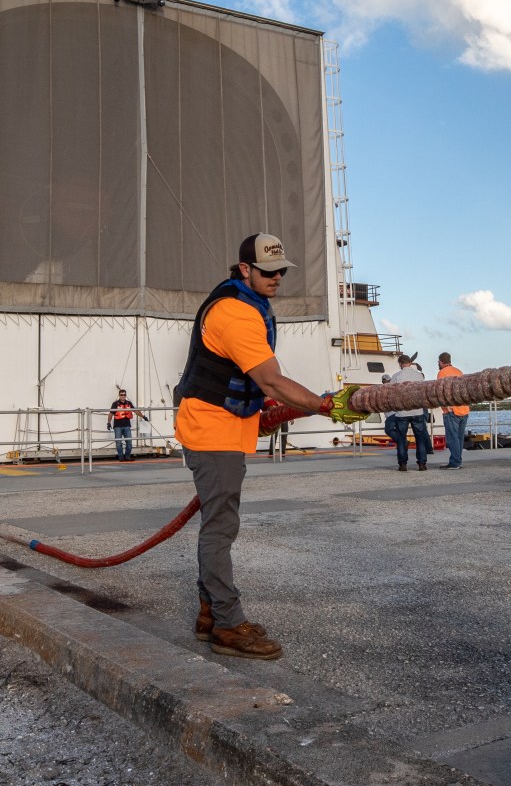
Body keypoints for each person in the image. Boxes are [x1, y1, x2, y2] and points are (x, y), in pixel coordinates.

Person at [174, 232, 344, 660]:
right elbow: (270, 379)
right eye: (267, 271)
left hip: (222, 427)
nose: (277, 277)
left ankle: (210, 614)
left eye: (281, 270)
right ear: (244, 269)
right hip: (213, 433)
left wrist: (259, 410)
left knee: (219, 523)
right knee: (221, 528)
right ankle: (228, 627)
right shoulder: (236, 314)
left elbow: (249, 380)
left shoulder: (244, 304)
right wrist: (326, 406)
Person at [388, 353, 432, 471]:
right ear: (410, 363)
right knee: (420, 438)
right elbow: (423, 391)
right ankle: (422, 464)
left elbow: (391, 393)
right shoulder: (419, 376)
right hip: (417, 411)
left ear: (401, 364)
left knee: (401, 439)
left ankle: (403, 465)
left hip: (402, 413)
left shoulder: (396, 376)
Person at [436, 353, 470, 468]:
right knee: (459, 438)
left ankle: (455, 462)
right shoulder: (459, 371)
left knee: (452, 439)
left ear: (440, 362)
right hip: (464, 409)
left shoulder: (442, 373)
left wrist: (447, 407)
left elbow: (441, 392)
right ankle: (457, 461)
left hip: (452, 411)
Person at [108, 389, 137, 461]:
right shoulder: (115, 404)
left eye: (124, 395)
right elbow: (111, 414)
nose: (123, 396)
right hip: (117, 426)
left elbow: (136, 411)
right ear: (119, 395)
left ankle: (127, 457)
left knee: (129, 442)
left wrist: (143, 417)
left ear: (126, 395)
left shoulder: (129, 403)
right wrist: (108, 423)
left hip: (127, 426)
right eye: (121, 395)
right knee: (118, 443)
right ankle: (121, 457)